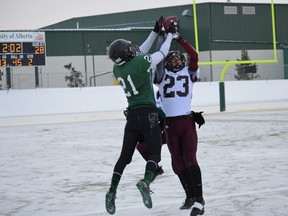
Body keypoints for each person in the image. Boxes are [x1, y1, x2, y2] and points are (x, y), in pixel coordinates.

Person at [105, 17, 177, 215]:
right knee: (154, 155)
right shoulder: (138, 63)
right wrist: (169, 35)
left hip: (132, 117)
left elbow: (139, 53)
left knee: (124, 157)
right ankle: (145, 182)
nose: (131, 50)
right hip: (148, 114)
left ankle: (112, 191)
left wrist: (154, 32)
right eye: (128, 49)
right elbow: (161, 54)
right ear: (125, 55)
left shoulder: (117, 68)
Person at [156, 32, 205, 216]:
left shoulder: (189, 73)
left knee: (191, 160)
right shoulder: (160, 74)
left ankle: (200, 200)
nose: (177, 62)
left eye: (179, 59)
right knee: (178, 163)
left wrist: (179, 39)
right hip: (170, 125)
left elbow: (194, 55)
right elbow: (159, 57)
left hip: (186, 122)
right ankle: (191, 196)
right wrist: (163, 37)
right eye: (173, 59)